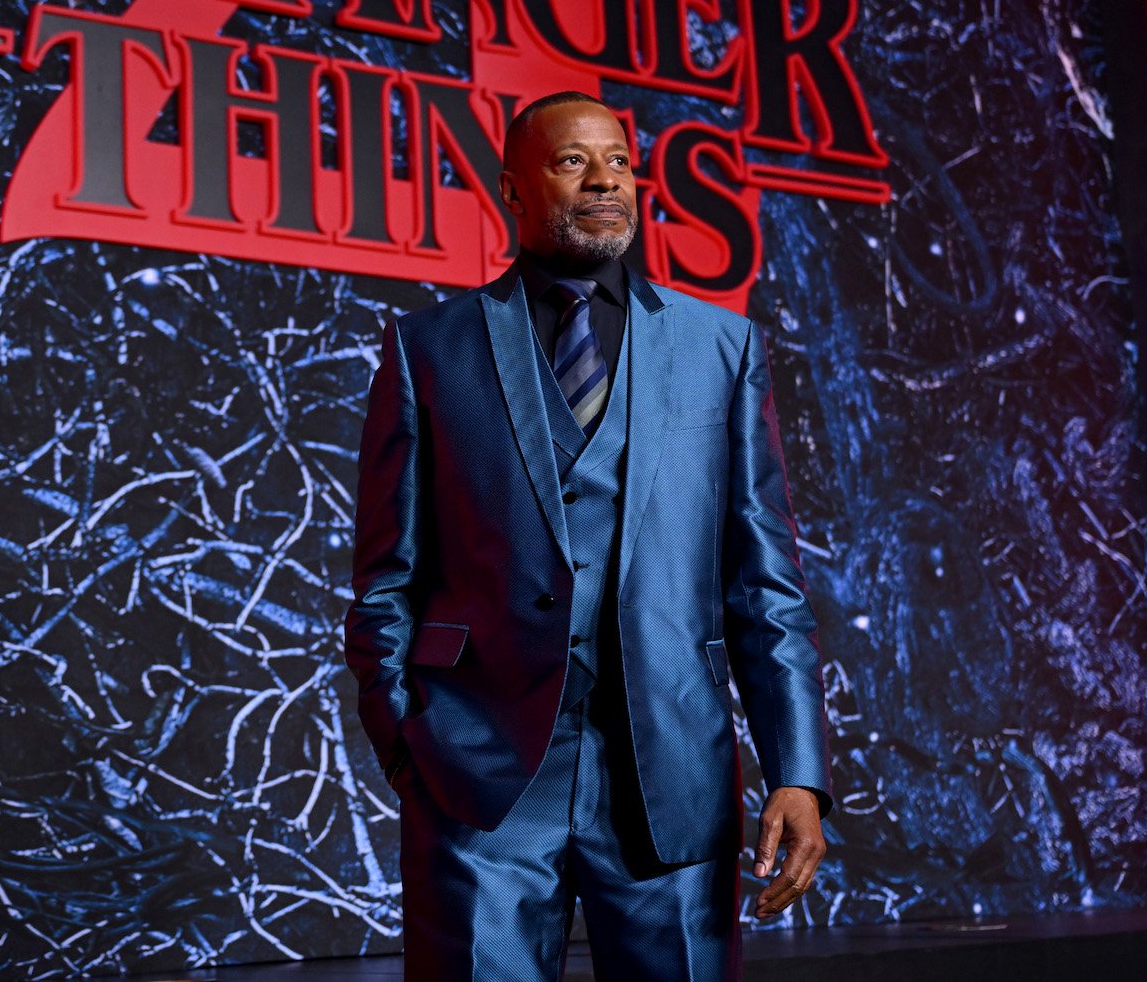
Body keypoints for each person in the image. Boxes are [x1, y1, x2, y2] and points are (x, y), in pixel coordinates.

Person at [343, 91, 832, 979]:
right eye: (573, 161)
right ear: (512, 187)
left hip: (669, 775)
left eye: (618, 161)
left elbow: (767, 583)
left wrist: (796, 769)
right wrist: (410, 744)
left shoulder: (720, 347)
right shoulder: (429, 349)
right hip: (480, 779)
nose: (605, 178)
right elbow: (386, 578)